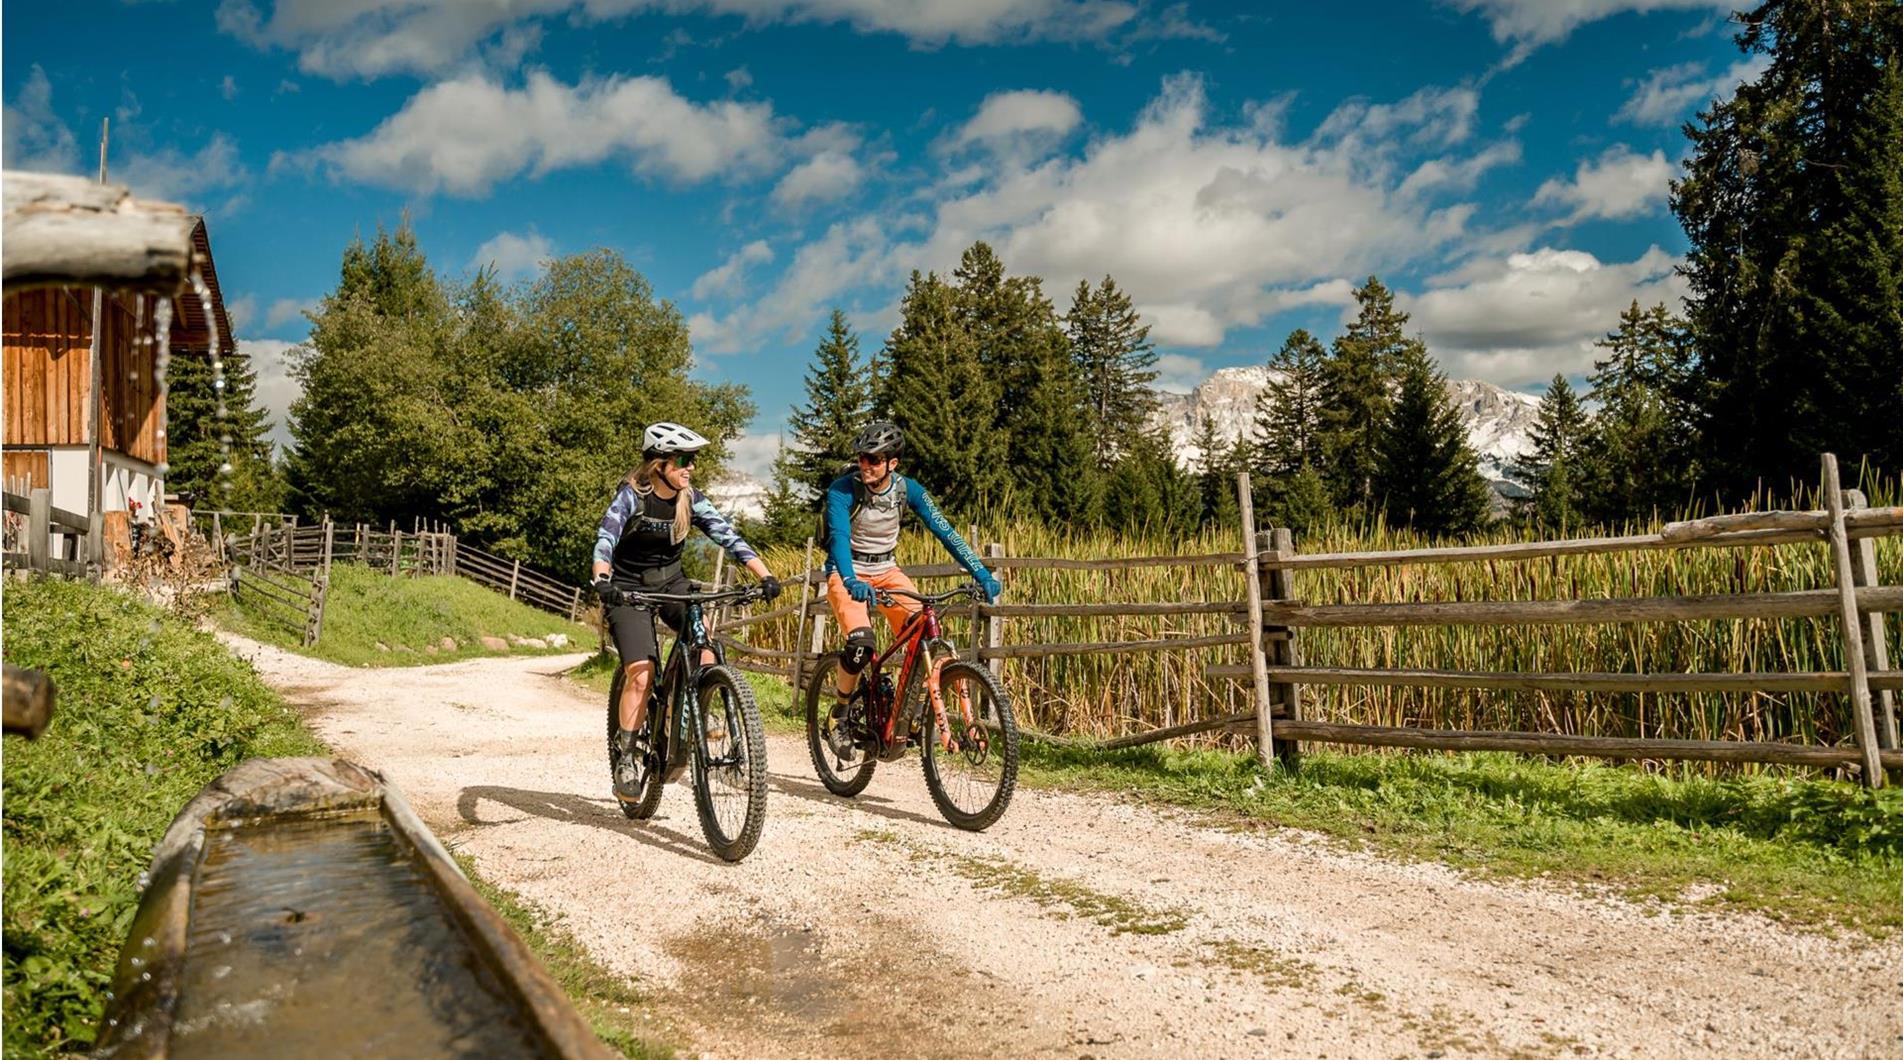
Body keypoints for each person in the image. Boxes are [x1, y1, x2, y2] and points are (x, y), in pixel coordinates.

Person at [590, 422, 781, 800]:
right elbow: (606, 539)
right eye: (682, 459)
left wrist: (765, 574)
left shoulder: (690, 499)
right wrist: (602, 580)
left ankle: (701, 705)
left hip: (672, 584)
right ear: (659, 463)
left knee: (704, 641)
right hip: (627, 588)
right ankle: (627, 757)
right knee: (642, 674)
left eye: (692, 459)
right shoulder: (632, 496)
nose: (689, 466)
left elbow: (728, 535)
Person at [821, 420, 1001, 745]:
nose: (865, 465)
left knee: (925, 634)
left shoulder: (909, 490)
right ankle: (841, 714)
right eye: (862, 457)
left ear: (892, 463)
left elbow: (945, 532)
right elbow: (838, 537)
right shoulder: (842, 490)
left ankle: (914, 714)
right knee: (861, 645)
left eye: (874, 460)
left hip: (888, 571)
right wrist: (849, 579)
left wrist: (981, 573)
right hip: (846, 571)